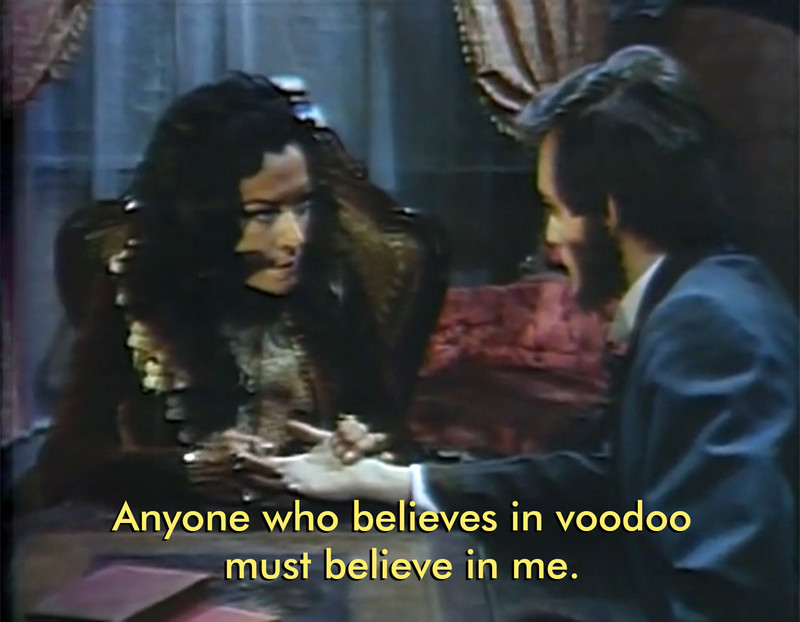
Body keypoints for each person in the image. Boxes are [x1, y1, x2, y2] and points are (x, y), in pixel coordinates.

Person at [244, 47, 799, 621]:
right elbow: (604, 479)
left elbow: (726, 598)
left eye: (554, 208)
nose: (549, 240)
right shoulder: (701, 296)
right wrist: (398, 483)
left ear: (609, 211)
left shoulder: (710, 330)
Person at [35, 72, 448, 508]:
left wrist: (365, 448)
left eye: (303, 206)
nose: (295, 237)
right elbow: (69, 466)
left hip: (323, 528)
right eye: (263, 214)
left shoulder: (332, 284)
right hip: (174, 533)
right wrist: (186, 471)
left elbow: (392, 436)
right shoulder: (136, 292)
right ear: (201, 217)